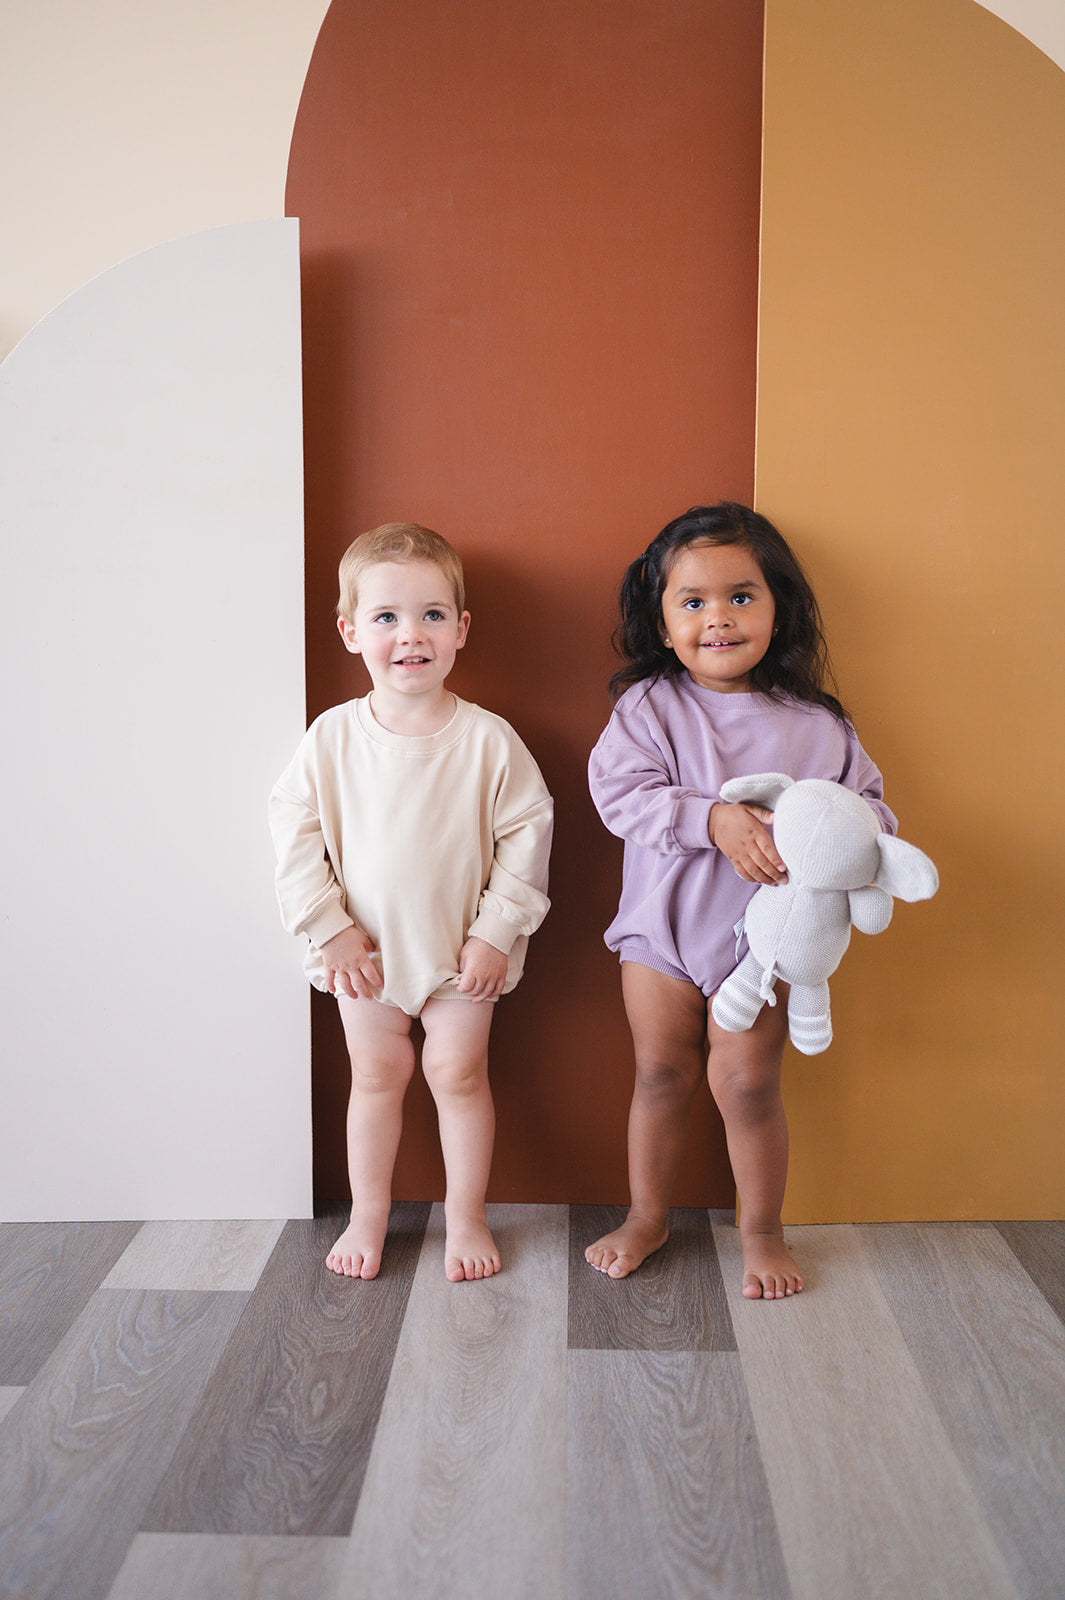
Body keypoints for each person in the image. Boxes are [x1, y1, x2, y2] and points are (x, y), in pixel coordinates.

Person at [585, 503, 897, 1300]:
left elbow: (869, 813)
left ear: (776, 609)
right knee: (659, 1073)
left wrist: (836, 839)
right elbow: (619, 796)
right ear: (662, 624)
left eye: (740, 596)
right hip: (659, 935)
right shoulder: (649, 708)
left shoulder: (815, 725)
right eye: (692, 601)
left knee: (749, 1085)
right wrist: (713, 819)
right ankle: (646, 1217)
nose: (717, 618)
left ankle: (760, 1230)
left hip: (764, 945)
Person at [270, 524, 552, 1283]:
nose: (410, 635)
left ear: (460, 628)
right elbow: (293, 833)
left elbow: (529, 834)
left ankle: (466, 1216)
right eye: (387, 617)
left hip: (460, 952)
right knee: (375, 1076)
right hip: (362, 952)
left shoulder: (489, 740)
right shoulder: (331, 738)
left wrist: (496, 933)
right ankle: (369, 1214)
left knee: (458, 1074)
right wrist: (328, 929)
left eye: (431, 615)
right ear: (350, 632)